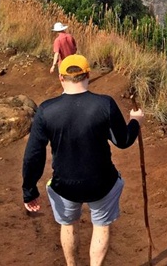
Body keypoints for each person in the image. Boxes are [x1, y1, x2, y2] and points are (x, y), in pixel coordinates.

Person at [22, 54, 145, 266]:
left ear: (61, 78)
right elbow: (123, 141)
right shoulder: (104, 104)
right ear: (88, 75)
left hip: (65, 184)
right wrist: (135, 122)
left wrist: (29, 189)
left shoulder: (46, 111)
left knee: (68, 225)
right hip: (101, 183)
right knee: (101, 225)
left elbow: (34, 154)